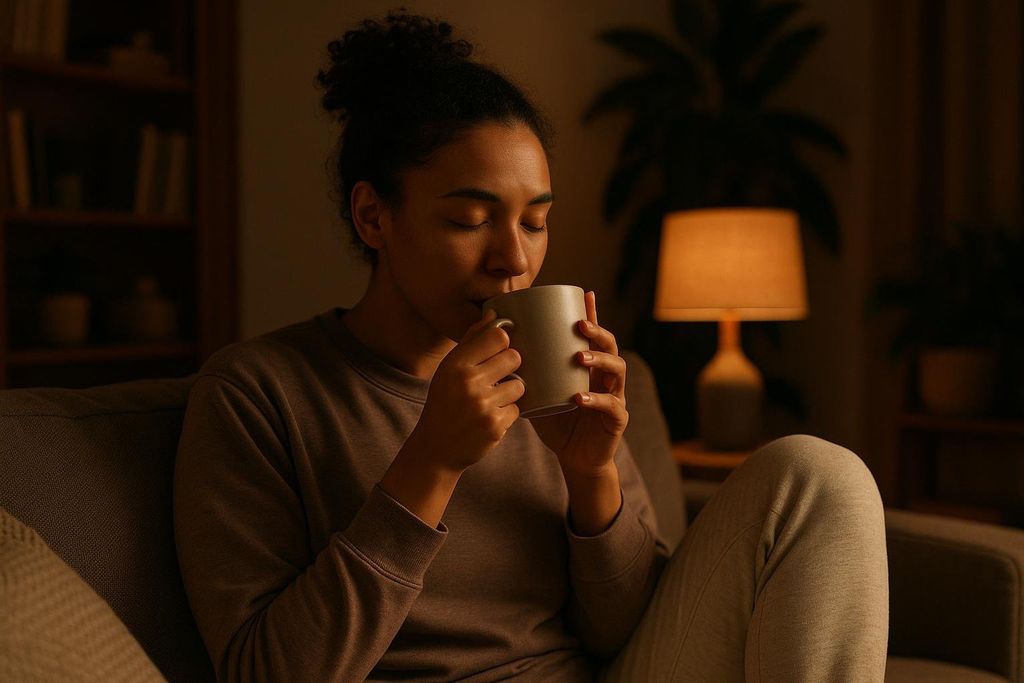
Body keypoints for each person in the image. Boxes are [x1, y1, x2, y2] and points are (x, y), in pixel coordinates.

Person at [173, 10, 889, 682]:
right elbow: (263, 670)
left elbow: (625, 636)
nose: (513, 259)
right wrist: (429, 462)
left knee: (819, 474)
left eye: (535, 222)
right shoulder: (257, 392)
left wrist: (592, 476)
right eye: (469, 219)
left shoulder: (563, 378)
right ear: (373, 216)